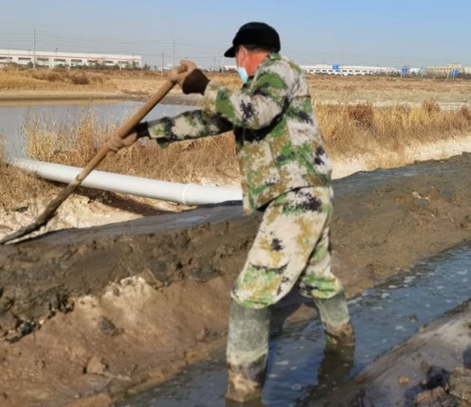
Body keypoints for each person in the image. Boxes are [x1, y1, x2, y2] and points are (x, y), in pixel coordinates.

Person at [105, 22, 353, 404]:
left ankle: (242, 394)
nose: (237, 64)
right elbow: (210, 120)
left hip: (297, 196)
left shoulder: (280, 71)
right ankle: (344, 352)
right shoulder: (251, 91)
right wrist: (146, 131)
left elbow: (255, 114)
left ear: (244, 51)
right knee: (318, 279)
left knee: (250, 296)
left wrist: (203, 85)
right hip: (305, 195)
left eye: (236, 56)